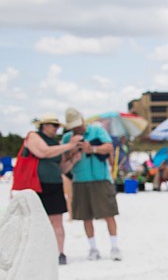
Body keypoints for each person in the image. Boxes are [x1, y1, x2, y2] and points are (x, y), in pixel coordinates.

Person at [62, 107, 122, 261]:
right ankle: (93, 248)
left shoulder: (96, 131)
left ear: (82, 119)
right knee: (85, 216)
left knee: (109, 213)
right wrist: (71, 150)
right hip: (80, 180)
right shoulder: (68, 138)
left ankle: (114, 247)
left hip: (100, 178)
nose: (76, 128)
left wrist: (92, 148)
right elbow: (62, 160)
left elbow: (109, 147)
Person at [22, 114, 83, 264]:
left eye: (57, 126)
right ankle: (35, 253)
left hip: (54, 184)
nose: (56, 129)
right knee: (35, 221)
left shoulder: (55, 143)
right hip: (36, 186)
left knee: (57, 221)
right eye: (54, 125)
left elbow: (61, 168)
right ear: (44, 125)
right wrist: (69, 145)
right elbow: (43, 152)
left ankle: (60, 253)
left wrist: (73, 159)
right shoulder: (34, 137)